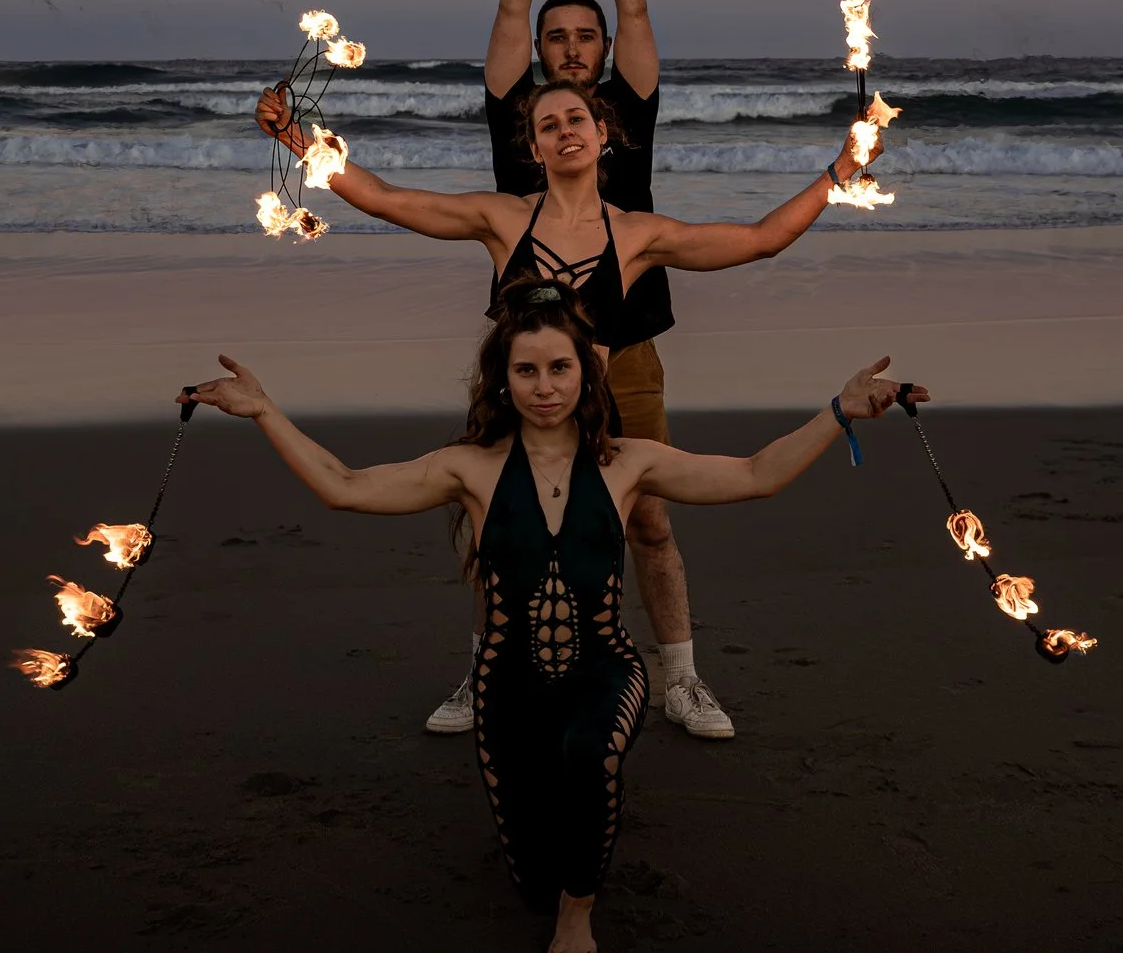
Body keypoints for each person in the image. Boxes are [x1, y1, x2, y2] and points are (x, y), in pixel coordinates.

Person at [182, 280, 928, 953]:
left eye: (560, 368)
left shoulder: (628, 462)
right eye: (527, 370)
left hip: (605, 669)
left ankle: (579, 919)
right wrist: (264, 411)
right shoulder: (469, 467)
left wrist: (839, 412)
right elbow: (345, 486)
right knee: (532, 875)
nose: (545, 387)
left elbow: (756, 475)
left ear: (586, 372)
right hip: (505, 684)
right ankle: (557, 884)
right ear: (503, 379)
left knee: (591, 759)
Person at [256, 61, 885, 742]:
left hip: (591, 416)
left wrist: (840, 171)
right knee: (497, 539)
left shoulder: (637, 235)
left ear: (602, 132)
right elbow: (383, 197)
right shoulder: (501, 218)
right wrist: (295, 137)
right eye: (548, 125)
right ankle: (485, 673)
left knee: (638, 532)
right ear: (534, 146)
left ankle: (676, 679)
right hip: (512, 410)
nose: (564, 132)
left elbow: (761, 239)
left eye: (575, 119)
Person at [474, 0, 723, 738]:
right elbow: (509, 7)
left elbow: (637, 5)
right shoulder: (519, 114)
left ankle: (681, 678)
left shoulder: (629, 108)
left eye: (586, 36)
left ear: (605, 51)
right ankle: (484, 674)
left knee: (648, 517)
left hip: (631, 349)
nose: (573, 48)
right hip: (526, 354)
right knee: (503, 520)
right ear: (539, 51)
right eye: (558, 37)